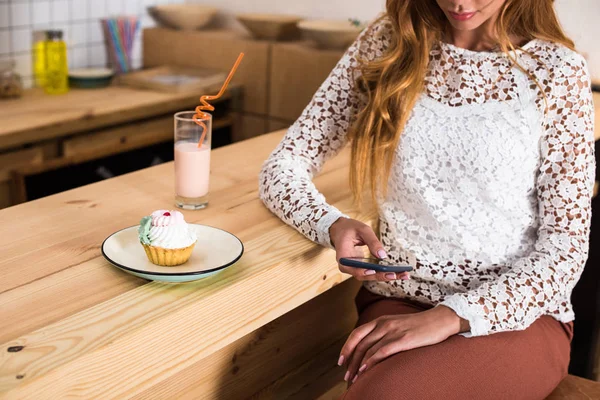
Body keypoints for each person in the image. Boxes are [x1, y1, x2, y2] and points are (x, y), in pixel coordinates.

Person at [259, 0, 595, 398]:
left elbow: (565, 247)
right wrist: (329, 223)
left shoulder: (557, 71)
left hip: (515, 318)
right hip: (400, 303)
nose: (459, 3)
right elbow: (282, 165)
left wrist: (454, 315)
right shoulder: (389, 42)